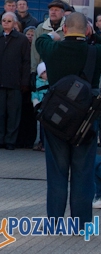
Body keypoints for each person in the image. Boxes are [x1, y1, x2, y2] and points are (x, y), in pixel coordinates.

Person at [35, 12, 101, 230]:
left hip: (56, 119)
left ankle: (54, 221)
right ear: (87, 30)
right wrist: (93, 34)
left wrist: (54, 35)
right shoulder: (95, 51)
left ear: (64, 29)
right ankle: (81, 223)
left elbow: (40, 39)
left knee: (57, 172)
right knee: (83, 173)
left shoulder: (53, 48)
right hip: (86, 119)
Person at [0, 12, 31, 151]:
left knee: (13, 113)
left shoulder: (22, 40)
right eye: (4, 20)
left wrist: (25, 81)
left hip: (15, 82)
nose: (6, 23)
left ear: (14, 23)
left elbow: (26, 62)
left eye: (9, 21)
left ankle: (11, 140)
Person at [31, 0, 66, 74]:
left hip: (62, 69)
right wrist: (33, 70)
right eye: (51, 10)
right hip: (43, 71)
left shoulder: (68, 27)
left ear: (63, 13)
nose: (53, 12)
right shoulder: (41, 28)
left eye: (56, 10)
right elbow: (35, 51)